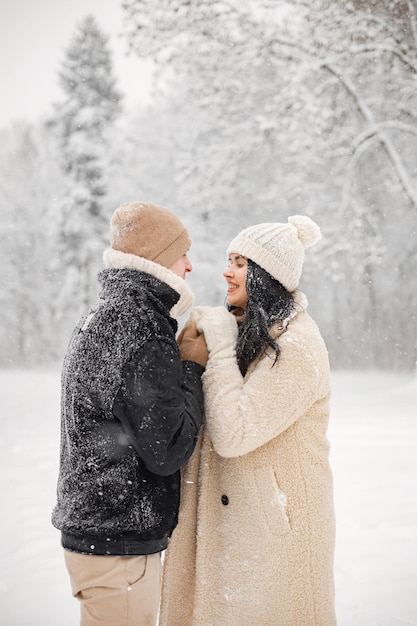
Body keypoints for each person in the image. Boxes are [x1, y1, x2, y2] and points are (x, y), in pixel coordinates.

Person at [160, 215, 336, 625]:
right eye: (229, 260)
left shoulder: (298, 347)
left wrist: (218, 348)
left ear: (267, 275)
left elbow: (236, 433)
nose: (226, 271)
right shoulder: (251, 334)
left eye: (240, 263)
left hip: (274, 530)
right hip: (230, 525)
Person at [51, 201, 208, 626]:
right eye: (182, 252)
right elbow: (168, 448)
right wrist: (192, 367)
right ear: (157, 259)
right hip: (118, 543)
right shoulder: (141, 329)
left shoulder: (103, 318)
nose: (190, 265)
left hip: (97, 533)